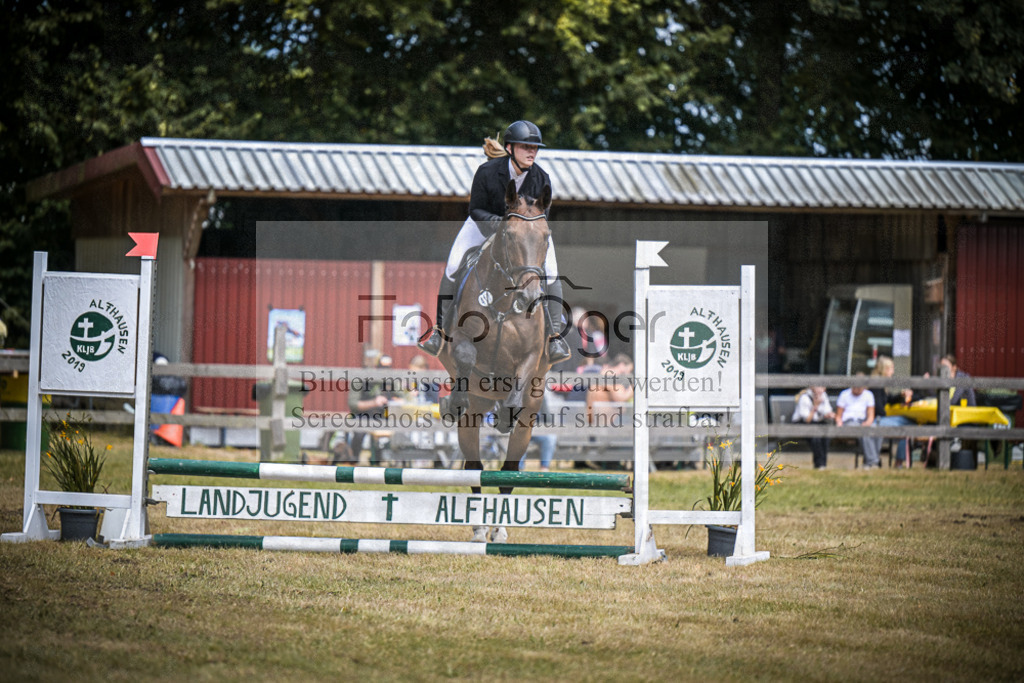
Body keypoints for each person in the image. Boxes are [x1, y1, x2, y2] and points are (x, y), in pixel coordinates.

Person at [419, 120, 570, 364]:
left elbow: (542, 217)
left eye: (535, 147)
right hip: (483, 225)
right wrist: (500, 224)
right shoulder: (487, 172)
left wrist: (521, 231)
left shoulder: (542, 178)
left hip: (524, 234)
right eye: (525, 146)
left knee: (551, 272)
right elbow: (476, 209)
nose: (532, 152)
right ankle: (438, 331)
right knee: (453, 264)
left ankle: (554, 337)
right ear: (510, 148)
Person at [867, 356, 916, 467]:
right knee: (909, 424)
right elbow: (878, 409)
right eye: (891, 369)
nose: (892, 372)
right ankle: (899, 462)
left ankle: (899, 461)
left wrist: (901, 395)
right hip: (877, 420)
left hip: (880, 419)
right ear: (884, 369)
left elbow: (889, 400)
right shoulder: (876, 384)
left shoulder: (881, 383)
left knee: (908, 424)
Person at [834, 374, 880, 468]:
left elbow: (871, 415)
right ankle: (873, 461)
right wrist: (838, 423)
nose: (857, 389)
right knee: (863, 431)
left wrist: (868, 422)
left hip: (863, 420)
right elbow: (839, 415)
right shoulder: (844, 394)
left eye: (860, 387)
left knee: (877, 431)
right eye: (855, 386)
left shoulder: (868, 395)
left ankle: (868, 462)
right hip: (849, 421)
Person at [791, 386, 834, 469]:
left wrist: (829, 414)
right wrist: (815, 405)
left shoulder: (824, 396)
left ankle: (823, 465)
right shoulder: (804, 397)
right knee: (816, 437)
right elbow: (807, 419)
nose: (821, 389)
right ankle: (819, 464)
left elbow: (826, 411)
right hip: (802, 423)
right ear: (812, 388)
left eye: (823, 387)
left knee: (826, 436)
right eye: (818, 387)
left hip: (816, 423)